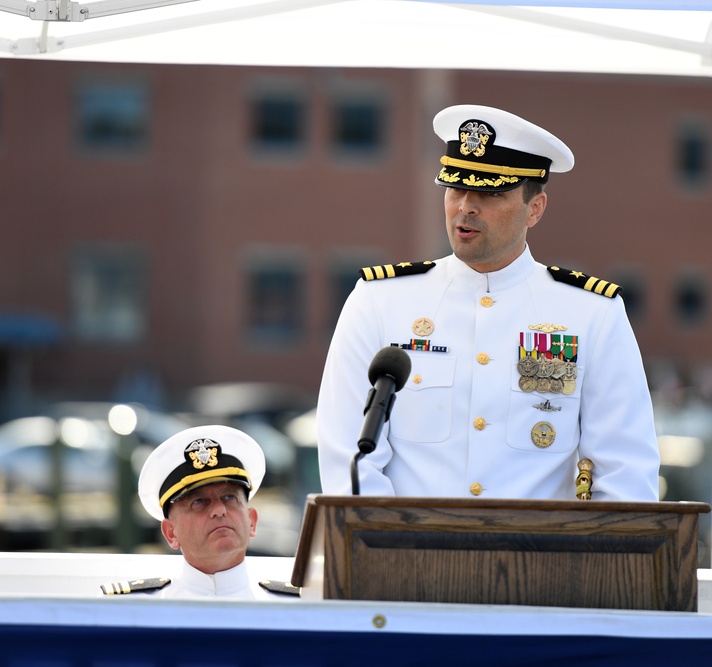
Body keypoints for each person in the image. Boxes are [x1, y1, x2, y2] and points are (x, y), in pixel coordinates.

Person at [316, 104, 660, 501]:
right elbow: (349, 458)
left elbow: (626, 474)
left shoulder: (592, 314)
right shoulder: (379, 301)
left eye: (489, 192)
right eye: (456, 187)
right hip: (409, 556)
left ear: (535, 209)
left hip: (540, 560)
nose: (466, 206)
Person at [101, 424, 300, 599]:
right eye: (199, 501)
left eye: (230, 497)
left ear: (252, 521)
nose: (219, 510)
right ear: (171, 532)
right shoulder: (131, 611)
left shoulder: (296, 610)